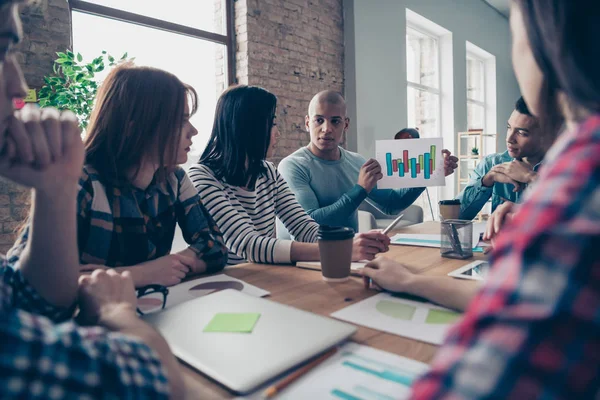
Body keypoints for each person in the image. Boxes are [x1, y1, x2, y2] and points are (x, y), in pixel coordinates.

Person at [410, 0, 600, 398]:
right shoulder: (499, 163)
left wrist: (535, 187)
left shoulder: (580, 168)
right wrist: (485, 186)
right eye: (508, 129)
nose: (511, 139)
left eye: (515, 29)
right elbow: (460, 214)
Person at [0, 1, 183, 397]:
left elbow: (35, 301)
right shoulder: (92, 180)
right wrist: (120, 307)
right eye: (1, 52)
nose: (19, 87)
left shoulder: (172, 180)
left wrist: (54, 188)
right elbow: (157, 381)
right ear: (141, 126)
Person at [10, 63, 228, 288]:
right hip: (87, 319)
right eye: (181, 121)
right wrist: (140, 274)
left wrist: (171, 265)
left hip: (153, 311)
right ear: (136, 127)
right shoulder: (81, 181)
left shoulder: (175, 179)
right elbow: (22, 280)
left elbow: (215, 245)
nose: (193, 131)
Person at [189, 85, 390, 265]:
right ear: (249, 128)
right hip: (229, 284)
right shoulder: (202, 176)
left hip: (266, 277)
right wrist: (342, 250)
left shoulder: (268, 172)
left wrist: (353, 242)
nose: (277, 133)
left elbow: (304, 228)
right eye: (272, 123)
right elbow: (249, 245)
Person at [278, 91, 458, 232]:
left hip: (350, 254)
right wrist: (360, 189)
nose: (326, 129)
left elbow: (392, 204)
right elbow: (311, 223)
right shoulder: (292, 166)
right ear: (308, 123)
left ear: (345, 125)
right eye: (319, 120)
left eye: (335, 121)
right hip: (304, 261)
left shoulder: (356, 162)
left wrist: (430, 172)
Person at [456, 97, 548, 219]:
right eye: (509, 127)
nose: (509, 139)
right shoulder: (492, 164)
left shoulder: (565, 167)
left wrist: (532, 178)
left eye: (521, 133)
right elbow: (455, 217)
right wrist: (486, 181)